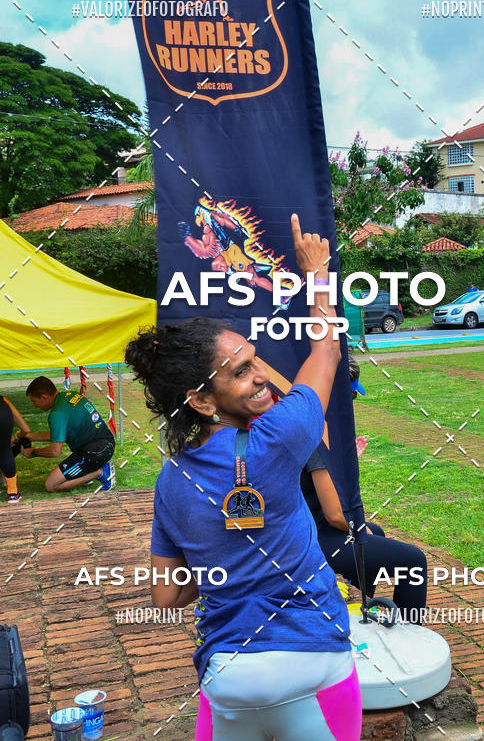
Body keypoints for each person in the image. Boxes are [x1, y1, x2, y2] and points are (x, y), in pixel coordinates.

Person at [125, 214, 362, 741]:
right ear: (202, 400)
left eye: (254, 360)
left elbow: (167, 598)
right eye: (240, 372)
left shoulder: (171, 479)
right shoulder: (279, 437)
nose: (260, 377)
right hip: (314, 658)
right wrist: (317, 275)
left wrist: (222, 562)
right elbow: (325, 350)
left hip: (229, 676)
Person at [301, 359, 428, 624]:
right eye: (351, 396)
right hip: (313, 537)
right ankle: (409, 635)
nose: (353, 403)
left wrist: (347, 464)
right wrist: (359, 530)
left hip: (311, 527)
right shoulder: (319, 433)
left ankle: (362, 613)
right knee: (413, 562)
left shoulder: (313, 422)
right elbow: (335, 514)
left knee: (376, 532)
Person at [20, 377, 115, 493]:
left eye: (34, 401)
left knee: (51, 485)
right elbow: (58, 434)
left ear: (44, 397)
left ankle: (99, 472)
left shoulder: (57, 414)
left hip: (94, 453)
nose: (34, 405)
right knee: (74, 465)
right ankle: (86, 471)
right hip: (106, 444)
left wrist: (33, 452)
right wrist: (31, 437)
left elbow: (55, 451)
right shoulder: (72, 395)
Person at [0, 395, 31, 503]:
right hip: (2, 414)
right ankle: (13, 493)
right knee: (4, 452)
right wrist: (17, 437)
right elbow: (25, 429)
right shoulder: (4, 400)